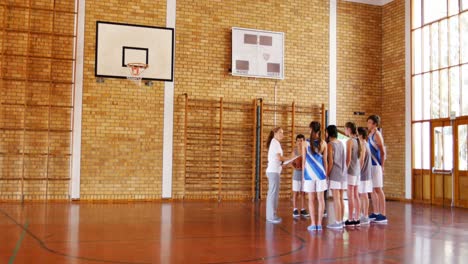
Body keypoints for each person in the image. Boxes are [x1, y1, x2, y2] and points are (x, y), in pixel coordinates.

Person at [303, 121, 328, 231]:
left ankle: (313, 224)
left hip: (309, 174)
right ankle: (319, 224)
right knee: (321, 199)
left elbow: (304, 160)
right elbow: (325, 161)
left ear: (311, 129)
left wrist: (302, 177)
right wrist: (326, 175)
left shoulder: (305, 143)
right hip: (321, 174)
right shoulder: (323, 143)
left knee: (311, 200)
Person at [266, 127, 290, 223]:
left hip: (275, 171)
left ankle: (272, 215)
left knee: (274, 194)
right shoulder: (275, 142)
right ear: (275, 133)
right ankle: (271, 216)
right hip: (273, 172)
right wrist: (289, 157)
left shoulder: (275, 143)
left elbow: (278, 160)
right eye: (280, 132)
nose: (282, 135)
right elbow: (279, 157)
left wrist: (285, 162)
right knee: (272, 194)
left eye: (282, 133)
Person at [367, 115, 388, 224]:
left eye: (370, 122)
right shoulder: (370, 134)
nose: (368, 124)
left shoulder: (377, 135)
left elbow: (382, 151)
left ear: (375, 124)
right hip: (370, 165)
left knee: (378, 189)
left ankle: (383, 214)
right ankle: (375, 212)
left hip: (376, 165)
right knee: (372, 190)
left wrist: (382, 166)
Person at [326, 125, 346, 230]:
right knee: (341, 198)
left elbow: (331, 162)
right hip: (343, 173)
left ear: (328, 133)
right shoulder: (341, 144)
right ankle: (341, 220)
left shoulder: (330, 144)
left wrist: (327, 174)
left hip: (335, 173)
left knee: (336, 198)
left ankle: (337, 222)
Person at [344, 122, 361, 227]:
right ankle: (357, 217)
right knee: (355, 195)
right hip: (357, 171)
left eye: (345, 129)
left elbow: (348, 158)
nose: (345, 131)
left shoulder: (350, 141)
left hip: (351, 171)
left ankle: (350, 218)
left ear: (349, 129)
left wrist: (344, 169)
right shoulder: (358, 141)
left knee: (350, 195)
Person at [291, 134, 309, 218]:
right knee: (295, 193)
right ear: (296, 142)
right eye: (298, 140)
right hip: (296, 174)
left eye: (302, 141)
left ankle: (302, 209)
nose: (300, 142)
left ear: (304, 141)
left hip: (304, 174)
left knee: (303, 193)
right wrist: (295, 167)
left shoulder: (306, 151)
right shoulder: (294, 152)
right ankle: (295, 209)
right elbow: (291, 162)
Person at [357, 127, 372, 225]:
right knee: (363, 194)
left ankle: (365, 216)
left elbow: (361, 160)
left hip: (363, 173)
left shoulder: (363, 144)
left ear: (361, 135)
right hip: (366, 172)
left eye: (358, 134)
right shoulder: (366, 144)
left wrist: (358, 171)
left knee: (364, 195)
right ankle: (363, 214)